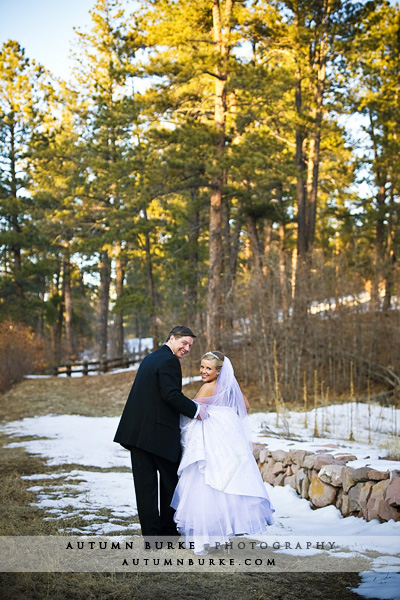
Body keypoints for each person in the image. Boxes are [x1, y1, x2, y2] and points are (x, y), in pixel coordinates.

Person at [171, 351, 275, 554]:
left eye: (208, 368)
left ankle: (201, 540)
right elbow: (245, 406)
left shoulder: (207, 388)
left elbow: (191, 412)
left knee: (204, 485)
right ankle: (220, 536)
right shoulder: (230, 388)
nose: (203, 371)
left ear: (219, 371)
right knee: (224, 486)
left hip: (210, 442)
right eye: (201, 367)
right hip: (227, 441)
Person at [113, 326, 208, 538]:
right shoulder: (169, 361)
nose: (187, 348)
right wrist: (196, 410)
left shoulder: (151, 358)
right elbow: (170, 395)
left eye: (190, 346)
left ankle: (152, 538)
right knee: (171, 485)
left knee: (145, 489)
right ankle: (168, 532)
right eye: (184, 343)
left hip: (137, 435)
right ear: (172, 338)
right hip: (159, 437)